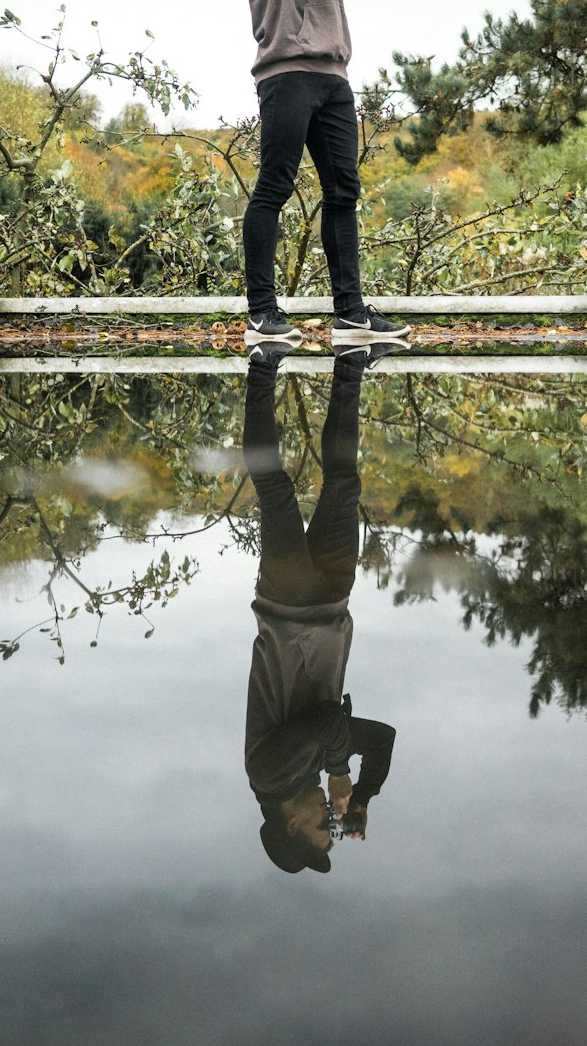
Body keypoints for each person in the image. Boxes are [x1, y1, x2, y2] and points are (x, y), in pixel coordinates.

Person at [242, 0, 411, 348]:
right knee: (274, 186)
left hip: (333, 72)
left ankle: (351, 315)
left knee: (343, 191)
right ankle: (261, 315)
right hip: (288, 69)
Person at [243, 349, 396, 874]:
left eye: (320, 829)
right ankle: (351, 360)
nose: (327, 819)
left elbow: (326, 721)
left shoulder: (269, 775)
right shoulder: (309, 771)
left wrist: (338, 773)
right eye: (333, 830)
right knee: (343, 479)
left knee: (275, 488)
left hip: (287, 604)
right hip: (331, 600)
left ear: (290, 824)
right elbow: (381, 739)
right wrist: (363, 796)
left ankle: (262, 363)